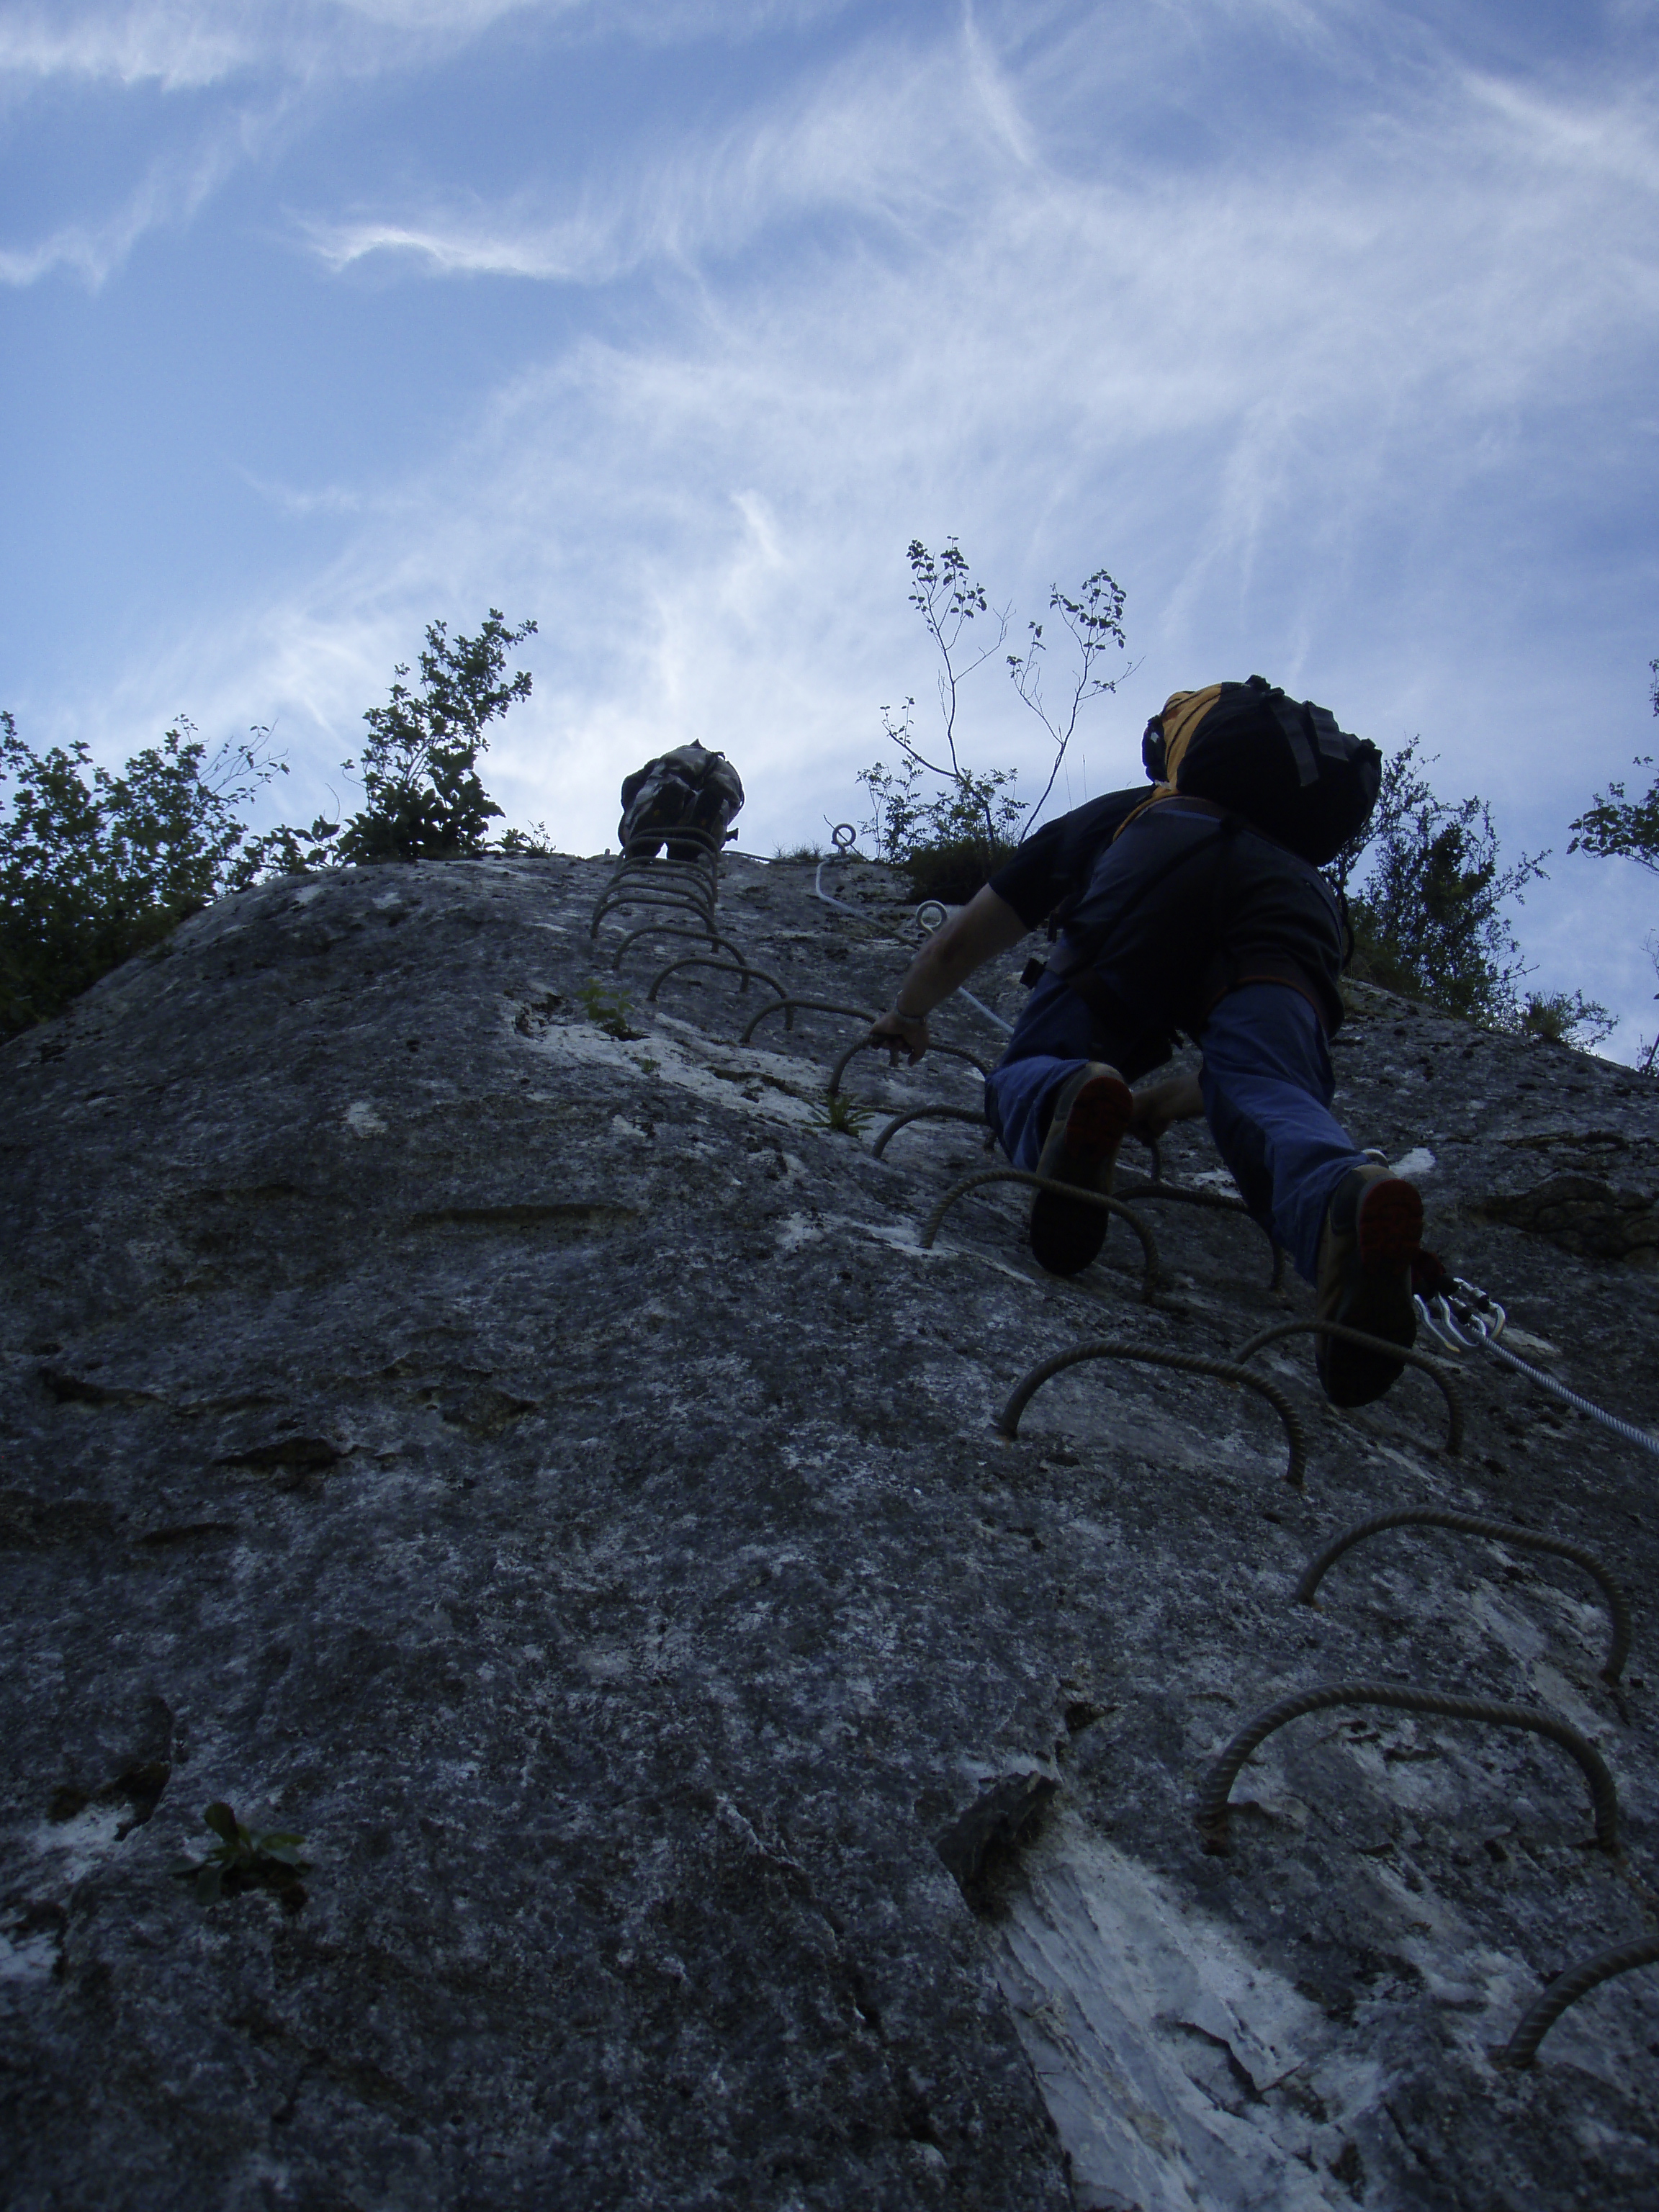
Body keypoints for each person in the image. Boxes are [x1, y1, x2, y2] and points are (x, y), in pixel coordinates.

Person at [864, 685, 1424, 1410]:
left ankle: (1064, 1092)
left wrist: (908, 1012)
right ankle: (1343, 1198)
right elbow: (1249, 1071)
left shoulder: (1129, 810)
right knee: (1276, 1089)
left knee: (1038, 1064)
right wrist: (1162, 1101)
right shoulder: (1301, 867)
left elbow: (962, 939)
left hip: (1162, 858)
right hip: (1300, 905)